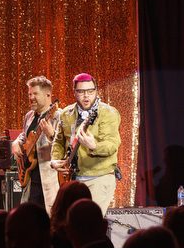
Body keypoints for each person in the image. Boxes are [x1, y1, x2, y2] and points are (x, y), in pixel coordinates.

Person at [51, 72, 121, 215]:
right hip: (73, 179)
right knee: (68, 221)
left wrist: (94, 146)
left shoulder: (108, 113)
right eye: (81, 92)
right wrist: (55, 160)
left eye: (90, 91)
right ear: (74, 92)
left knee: (89, 221)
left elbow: (112, 144)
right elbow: (58, 141)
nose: (86, 96)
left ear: (96, 90)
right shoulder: (66, 114)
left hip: (99, 176)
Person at [11, 75, 61, 213]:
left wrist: (52, 135)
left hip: (49, 181)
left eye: (35, 94)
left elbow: (66, 147)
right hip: (30, 181)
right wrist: (16, 142)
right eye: (29, 94)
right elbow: (25, 135)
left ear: (48, 95)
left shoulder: (59, 116)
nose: (31, 97)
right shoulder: (29, 116)